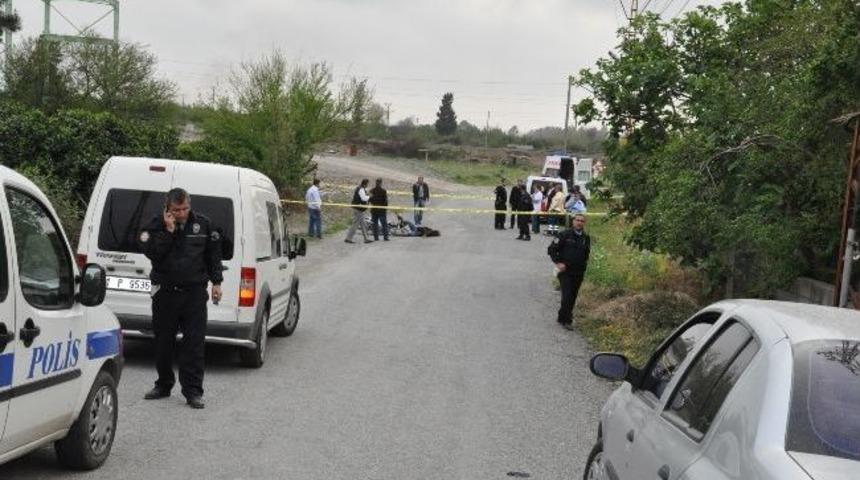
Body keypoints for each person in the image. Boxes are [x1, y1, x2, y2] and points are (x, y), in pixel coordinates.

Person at [138, 188, 223, 409]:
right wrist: (168, 230)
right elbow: (153, 253)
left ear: (189, 204)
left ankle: (193, 391)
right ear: (168, 207)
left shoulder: (203, 224)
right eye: (177, 210)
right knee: (163, 342)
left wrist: (217, 283)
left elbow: (213, 256)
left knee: (194, 344)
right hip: (166, 293)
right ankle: (164, 384)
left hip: (194, 294)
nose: (182, 213)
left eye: (185, 208)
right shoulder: (155, 224)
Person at [547, 214, 591, 330]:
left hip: (578, 272)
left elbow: (586, 254)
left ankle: (562, 316)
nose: (579, 222)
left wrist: (584, 266)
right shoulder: (564, 235)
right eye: (577, 220)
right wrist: (558, 262)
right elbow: (551, 249)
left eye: (582, 221)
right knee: (567, 295)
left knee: (572, 296)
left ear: (584, 223)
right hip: (565, 271)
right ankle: (567, 320)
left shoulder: (585, 238)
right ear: (573, 221)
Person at [345, 178, 372, 244]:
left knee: (363, 224)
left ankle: (366, 239)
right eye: (367, 184)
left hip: (358, 209)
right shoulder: (361, 189)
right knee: (355, 224)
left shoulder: (360, 188)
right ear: (365, 184)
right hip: (358, 209)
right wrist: (370, 197)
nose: (368, 185)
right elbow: (364, 199)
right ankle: (348, 238)